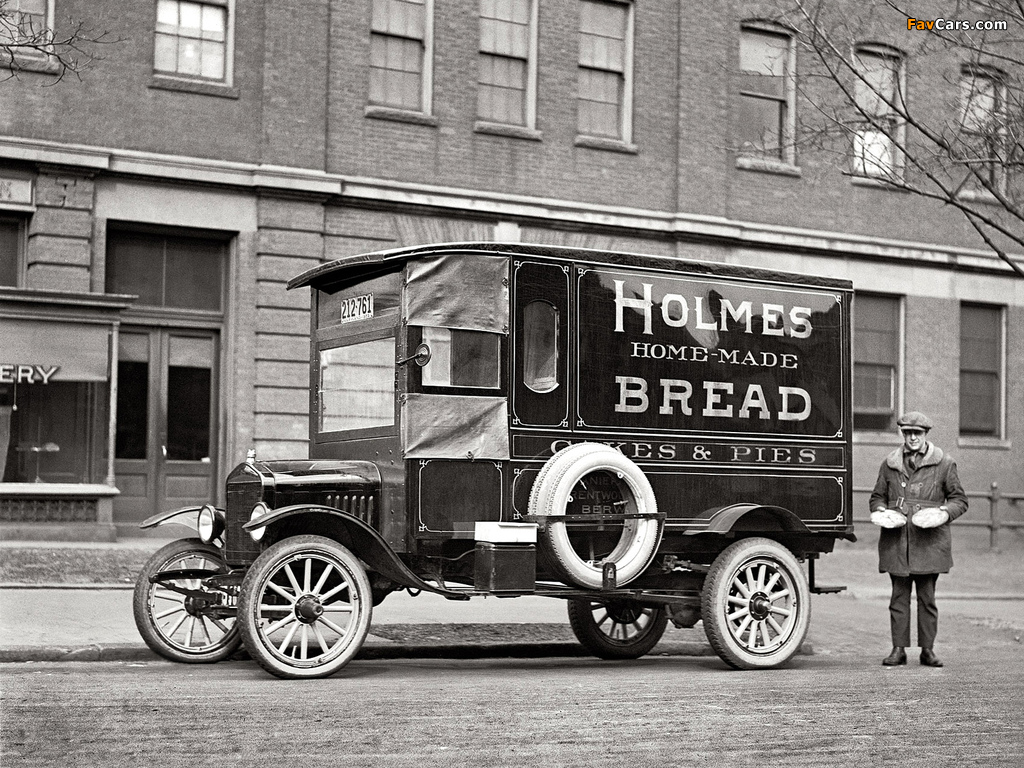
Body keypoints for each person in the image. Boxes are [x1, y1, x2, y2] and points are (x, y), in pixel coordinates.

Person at [869, 411, 968, 667]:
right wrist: (881, 511)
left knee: (927, 599)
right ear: (903, 434)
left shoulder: (944, 463)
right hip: (897, 541)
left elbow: (959, 500)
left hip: (930, 542)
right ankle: (898, 649)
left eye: (918, 433)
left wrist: (943, 512)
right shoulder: (890, 463)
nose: (913, 438)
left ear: (925, 434)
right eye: (908, 433)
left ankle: (927, 650)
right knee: (898, 599)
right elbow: (877, 497)